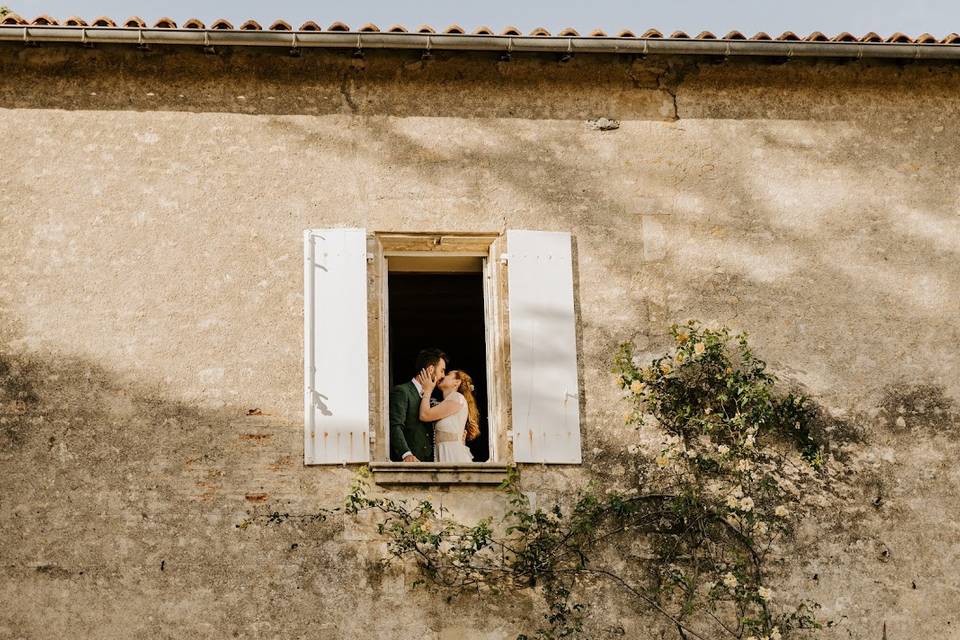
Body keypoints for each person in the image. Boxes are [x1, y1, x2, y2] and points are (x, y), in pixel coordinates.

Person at [389, 348, 447, 462]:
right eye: (442, 371)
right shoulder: (402, 391)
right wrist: (406, 454)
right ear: (431, 369)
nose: (443, 376)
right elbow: (395, 426)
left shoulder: (430, 396)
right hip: (410, 465)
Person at [415, 368, 480, 463]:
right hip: (443, 453)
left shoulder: (457, 397)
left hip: (452, 454)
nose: (443, 376)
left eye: (448, 374)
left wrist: (428, 390)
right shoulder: (446, 402)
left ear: (456, 382)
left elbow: (424, 415)